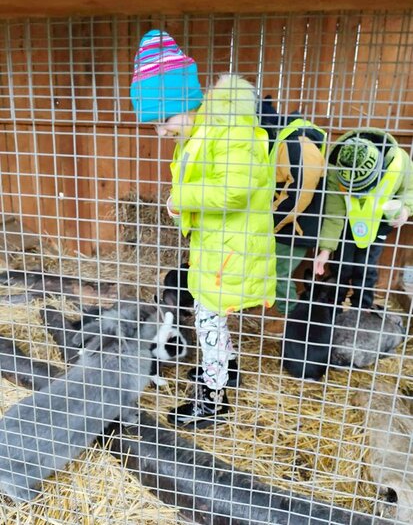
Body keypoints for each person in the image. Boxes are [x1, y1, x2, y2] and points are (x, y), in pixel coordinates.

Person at [130, 30, 276, 428]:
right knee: (206, 314)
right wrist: (181, 204)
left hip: (232, 249)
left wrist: (182, 199)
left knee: (208, 319)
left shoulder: (230, 130)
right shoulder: (201, 131)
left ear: (184, 101)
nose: (161, 132)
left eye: (163, 120)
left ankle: (213, 400)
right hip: (215, 245)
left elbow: (234, 190)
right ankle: (226, 368)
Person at [314, 129, 413, 310]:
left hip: (378, 224)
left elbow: (410, 190)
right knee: (341, 267)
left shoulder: (399, 161)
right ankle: (332, 309)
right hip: (347, 225)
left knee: (365, 268)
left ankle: (361, 310)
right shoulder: (337, 167)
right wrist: (326, 249)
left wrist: (406, 208)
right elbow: (334, 213)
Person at [259, 98, 327, 332]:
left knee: (278, 271)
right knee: (272, 268)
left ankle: (289, 319)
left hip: (295, 226)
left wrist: (271, 222)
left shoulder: (297, 142)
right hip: (289, 224)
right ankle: (278, 310)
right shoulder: (287, 139)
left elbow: (299, 193)